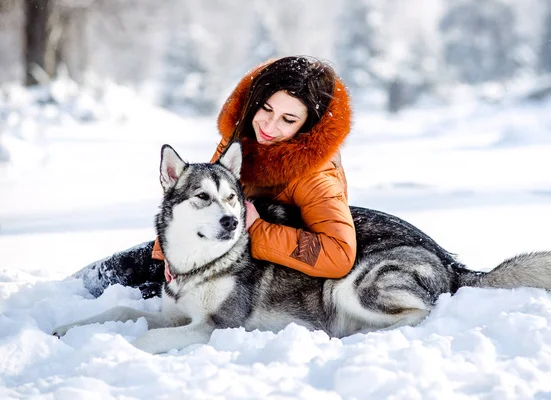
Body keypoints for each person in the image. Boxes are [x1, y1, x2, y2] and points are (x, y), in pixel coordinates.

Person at [74, 56, 356, 298]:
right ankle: (61, 295)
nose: (270, 126)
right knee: (116, 273)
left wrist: (255, 228)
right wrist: (166, 255)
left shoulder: (317, 175)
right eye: (266, 109)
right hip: (215, 246)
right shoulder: (241, 139)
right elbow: (192, 194)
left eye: (288, 119)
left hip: (267, 271)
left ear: (309, 125)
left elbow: (338, 255)